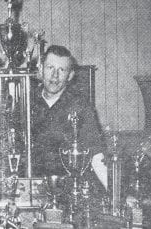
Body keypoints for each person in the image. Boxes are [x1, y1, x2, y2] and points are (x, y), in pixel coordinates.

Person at [30, 45, 107, 196]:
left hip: (69, 191)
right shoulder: (27, 102)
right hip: (32, 188)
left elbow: (97, 156)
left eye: (62, 70)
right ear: (40, 69)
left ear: (70, 75)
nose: (54, 76)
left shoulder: (81, 106)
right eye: (50, 68)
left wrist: (116, 194)